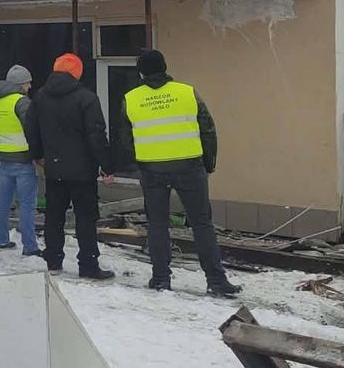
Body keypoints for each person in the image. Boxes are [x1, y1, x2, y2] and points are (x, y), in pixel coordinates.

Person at [116, 49, 241, 298]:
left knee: (158, 224)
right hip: (189, 167)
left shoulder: (130, 98)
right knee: (202, 223)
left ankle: (161, 278)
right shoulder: (187, 92)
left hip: (151, 169)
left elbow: (125, 138)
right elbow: (208, 129)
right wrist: (208, 163)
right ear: (164, 67)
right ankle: (216, 280)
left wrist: (142, 156)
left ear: (141, 72)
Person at [22, 53, 115, 280]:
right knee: (85, 218)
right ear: (77, 73)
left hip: (54, 169)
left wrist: (38, 154)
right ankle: (88, 265)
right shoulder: (87, 98)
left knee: (54, 216)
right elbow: (96, 136)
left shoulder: (41, 96)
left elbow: (30, 128)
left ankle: (53, 261)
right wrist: (107, 166)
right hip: (83, 171)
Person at [0, 65, 40, 256]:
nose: (30, 85)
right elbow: (31, 130)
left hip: (4, 157)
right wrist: (39, 155)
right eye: (28, 82)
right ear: (21, 84)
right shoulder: (22, 102)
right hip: (23, 159)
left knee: (4, 201)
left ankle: (2, 240)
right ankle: (30, 246)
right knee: (26, 205)